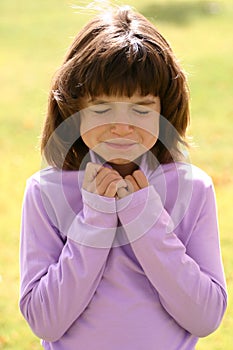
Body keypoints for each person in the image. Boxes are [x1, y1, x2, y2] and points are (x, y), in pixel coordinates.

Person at [19, 6, 227, 350]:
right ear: (74, 110)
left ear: (164, 110)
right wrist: (95, 218)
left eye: (142, 109)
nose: (121, 125)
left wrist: (145, 219)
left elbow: (204, 318)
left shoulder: (192, 189)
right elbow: (46, 322)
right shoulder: (45, 193)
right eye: (101, 108)